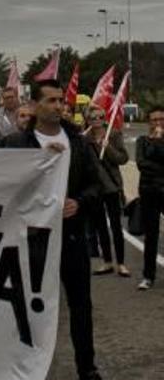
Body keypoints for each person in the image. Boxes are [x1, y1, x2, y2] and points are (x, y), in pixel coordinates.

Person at [3, 79, 111, 380]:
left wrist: (79, 202)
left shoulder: (78, 142)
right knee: (31, 308)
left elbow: (98, 185)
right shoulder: (15, 144)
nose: (57, 105)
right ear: (34, 105)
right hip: (33, 239)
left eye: (60, 100)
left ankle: (87, 374)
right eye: (49, 100)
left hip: (72, 237)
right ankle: (29, 378)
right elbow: (3, 189)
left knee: (80, 306)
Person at [84, 106, 130, 277]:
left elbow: (123, 159)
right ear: (87, 120)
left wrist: (108, 147)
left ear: (104, 117)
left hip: (111, 187)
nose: (97, 119)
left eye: (100, 116)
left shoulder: (114, 134)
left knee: (116, 226)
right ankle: (107, 262)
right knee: (100, 226)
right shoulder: (85, 138)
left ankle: (121, 263)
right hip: (94, 189)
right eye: (92, 117)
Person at [136, 106, 164, 290]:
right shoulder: (142, 140)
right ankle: (148, 276)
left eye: (161, 119)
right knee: (151, 235)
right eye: (154, 120)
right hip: (149, 192)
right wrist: (155, 142)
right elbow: (141, 164)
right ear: (149, 122)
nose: (158, 123)